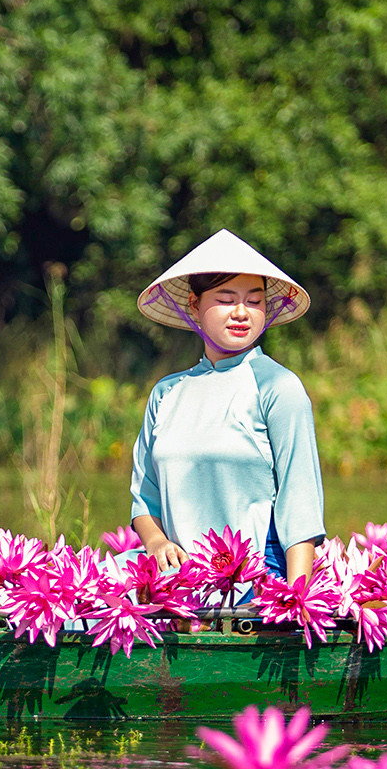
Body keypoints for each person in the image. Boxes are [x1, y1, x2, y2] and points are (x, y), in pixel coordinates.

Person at [128, 229, 325, 582]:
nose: (241, 313)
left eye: (254, 300)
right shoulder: (166, 393)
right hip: (175, 582)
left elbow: (301, 505)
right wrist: (157, 542)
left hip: (254, 582)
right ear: (194, 305)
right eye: (226, 298)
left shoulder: (279, 387)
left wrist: (295, 603)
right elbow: (145, 498)